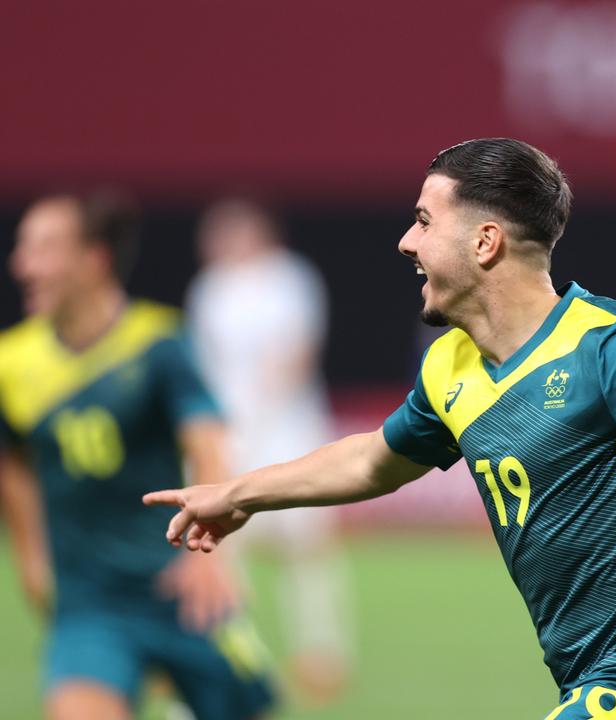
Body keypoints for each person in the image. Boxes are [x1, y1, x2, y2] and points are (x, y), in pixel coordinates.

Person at [143, 138, 616, 720]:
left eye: (425, 221)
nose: (404, 242)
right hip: (587, 678)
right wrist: (239, 494)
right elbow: (372, 461)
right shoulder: (451, 368)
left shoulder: (611, 342)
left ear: (485, 241)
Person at [0, 194, 275, 719]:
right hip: (90, 606)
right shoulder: (11, 363)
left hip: (180, 588)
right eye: (22, 247)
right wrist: (32, 561)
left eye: (44, 248)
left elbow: (207, 438)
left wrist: (209, 553)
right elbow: (13, 466)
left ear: (93, 259)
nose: (22, 265)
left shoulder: (158, 342)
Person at [186, 198, 353, 705]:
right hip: (229, 438)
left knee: (307, 548)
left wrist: (259, 416)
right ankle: (233, 655)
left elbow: (296, 354)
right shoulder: (209, 289)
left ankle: (322, 652)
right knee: (220, 550)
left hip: (290, 432)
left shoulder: (289, 279)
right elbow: (203, 365)